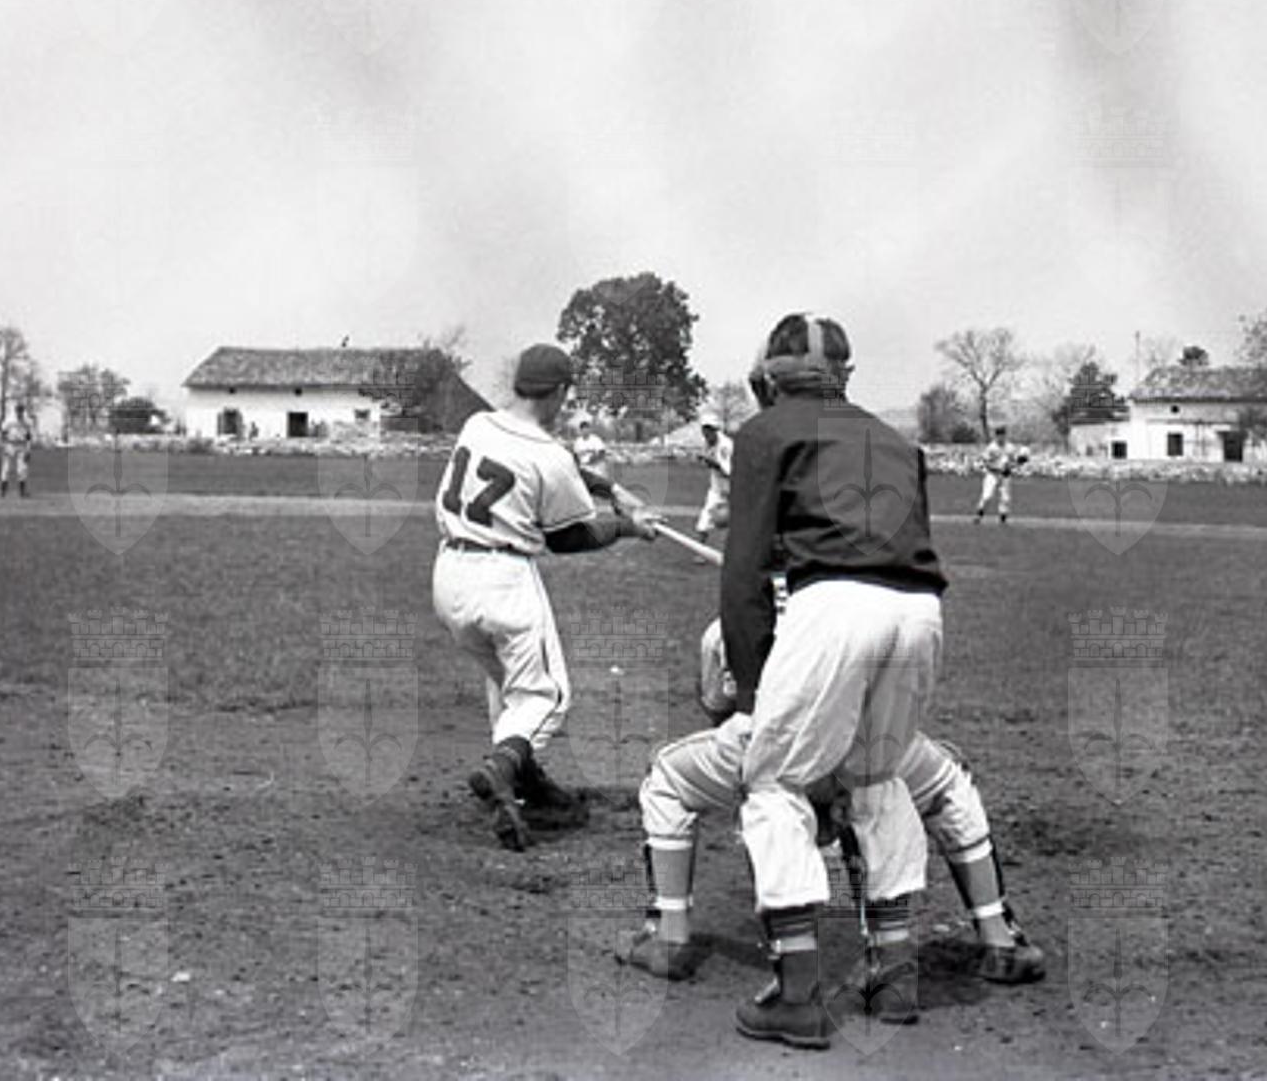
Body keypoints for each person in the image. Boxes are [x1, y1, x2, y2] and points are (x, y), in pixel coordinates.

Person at [721, 313, 947, 1050]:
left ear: (771, 374)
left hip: (835, 609)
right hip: (919, 610)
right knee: (877, 779)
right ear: (844, 372)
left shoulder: (765, 432)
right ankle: (894, 975)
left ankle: (797, 994)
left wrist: (751, 695)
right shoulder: (895, 439)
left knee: (774, 785)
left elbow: (745, 574)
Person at [617, 619, 1045, 992]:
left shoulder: (733, 617)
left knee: (667, 779)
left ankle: (668, 936)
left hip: (773, 749)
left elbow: (720, 708)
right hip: (870, 748)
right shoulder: (877, 606)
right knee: (948, 783)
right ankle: (1000, 939)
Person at [431, 342, 658, 850]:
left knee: (510, 684)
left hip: (449, 576)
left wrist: (611, 491)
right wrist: (629, 527)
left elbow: (555, 466)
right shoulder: (550, 456)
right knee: (546, 695)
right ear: (558, 391)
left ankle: (526, 780)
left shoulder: (478, 425)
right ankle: (503, 768)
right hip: (503, 580)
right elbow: (567, 537)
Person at [973, 423, 1025, 525]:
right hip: (992, 475)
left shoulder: (1010, 447)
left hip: (1005, 476)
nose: (1001, 437)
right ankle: (979, 515)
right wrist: (999, 468)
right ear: (996, 435)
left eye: (1002, 434)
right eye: (999, 434)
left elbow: (1013, 462)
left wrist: (1020, 462)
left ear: (1005, 435)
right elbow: (986, 463)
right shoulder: (991, 447)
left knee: (1005, 498)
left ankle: (1003, 520)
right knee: (987, 496)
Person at [694, 414, 733, 542]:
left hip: (734, 487)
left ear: (715, 429)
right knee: (704, 520)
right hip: (717, 487)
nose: (706, 432)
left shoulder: (725, 445)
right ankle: (699, 548)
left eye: (709, 429)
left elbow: (728, 471)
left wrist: (709, 461)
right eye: (704, 429)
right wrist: (704, 459)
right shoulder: (707, 443)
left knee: (738, 521)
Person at [0, 400, 34, 499]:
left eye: (21, 411)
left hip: (22, 445)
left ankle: (22, 492)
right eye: (18, 410)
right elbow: (3, 432)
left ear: (23, 411)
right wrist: (4, 446)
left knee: (22, 469)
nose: (19, 413)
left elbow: (29, 436)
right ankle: (3, 491)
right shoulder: (10, 420)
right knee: (6, 468)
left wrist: (28, 450)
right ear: (15, 411)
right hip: (10, 444)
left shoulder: (27, 421)